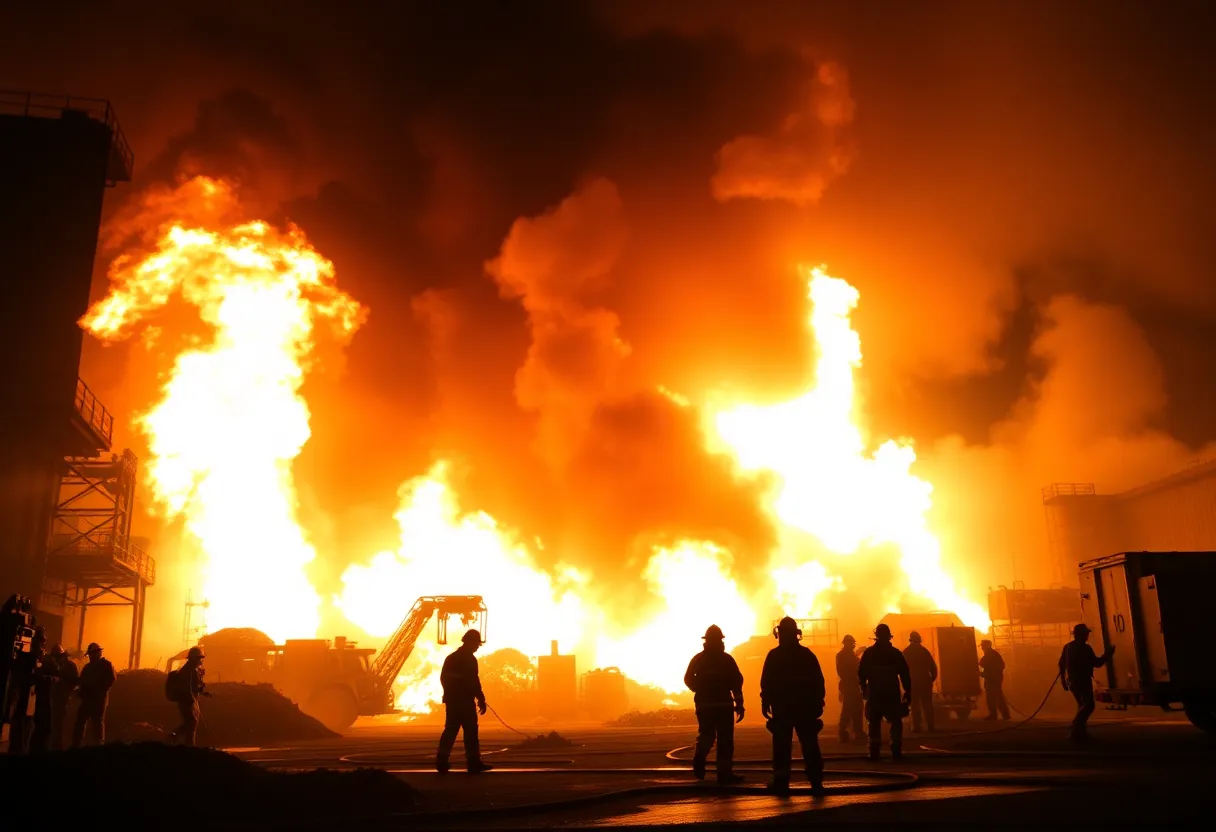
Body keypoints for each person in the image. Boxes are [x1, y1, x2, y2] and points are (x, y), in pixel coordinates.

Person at [761, 617, 826, 796]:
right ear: (797, 634)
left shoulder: (774, 656)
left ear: (779, 634)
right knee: (810, 745)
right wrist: (818, 702)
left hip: (783, 708)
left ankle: (781, 783)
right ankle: (816, 782)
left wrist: (765, 702)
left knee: (782, 746)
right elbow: (818, 681)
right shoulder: (806, 655)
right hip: (805, 708)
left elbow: (766, 682)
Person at [684, 624, 745, 785]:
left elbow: (687, 679)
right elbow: (737, 683)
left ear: (706, 641)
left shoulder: (698, 659)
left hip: (704, 705)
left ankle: (699, 758)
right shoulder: (727, 660)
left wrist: (698, 689)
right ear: (720, 641)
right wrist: (739, 704)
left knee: (706, 734)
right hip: (724, 705)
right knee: (725, 740)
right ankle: (724, 774)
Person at [436, 629, 492, 774]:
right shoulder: (469, 659)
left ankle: (441, 762)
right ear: (471, 642)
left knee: (450, 730)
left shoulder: (451, 658)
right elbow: (473, 681)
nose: (478, 647)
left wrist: (451, 694)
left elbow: (444, 679)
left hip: (453, 701)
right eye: (476, 644)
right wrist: (480, 698)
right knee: (471, 731)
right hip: (464, 701)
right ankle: (473, 763)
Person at [858, 623, 912, 761]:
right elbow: (904, 673)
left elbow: (861, 673)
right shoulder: (895, 654)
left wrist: (864, 688)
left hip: (875, 693)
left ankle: (874, 751)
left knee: (874, 722)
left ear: (876, 636)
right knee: (895, 721)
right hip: (891, 693)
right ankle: (895, 750)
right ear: (889, 637)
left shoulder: (869, 653)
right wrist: (907, 691)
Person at [1058, 623, 1114, 741]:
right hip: (1082, 679)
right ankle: (1075, 728)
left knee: (1082, 705)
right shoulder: (1084, 648)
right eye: (1086, 634)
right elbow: (1096, 663)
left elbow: (1061, 664)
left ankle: (1079, 733)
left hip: (1072, 680)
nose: (1087, 636)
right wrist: (1107, 655)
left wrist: (1063, 679)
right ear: (1081, 635)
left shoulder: (1068, 647)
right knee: (1088, 705)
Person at [71, 642, 115, 748]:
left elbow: (111, 680)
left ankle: (98, 746)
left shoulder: (106, 665)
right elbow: (82, 681)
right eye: (90, 654)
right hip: (87, 699)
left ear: (98, 653)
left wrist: (97, 689)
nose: (91, 656)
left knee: (97, 723)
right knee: (80, 721)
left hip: (99, 700)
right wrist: (80, 691)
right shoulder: (87, 667)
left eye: (93, 654)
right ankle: (76, 745)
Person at [171, 646, 209, 747]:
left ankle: (182, 740)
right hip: (188, 702)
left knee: (191, 724)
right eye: (199, 659)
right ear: (194, 659)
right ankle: (188, 746)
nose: (201, 661)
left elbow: (196, 686)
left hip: (191, 701)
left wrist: (203, 692)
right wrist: (192, 698)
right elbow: (188, 687)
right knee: (191, 725)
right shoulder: (188, 671)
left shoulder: (193, 670)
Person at [903, 631, 938, 733]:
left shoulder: (906, 652)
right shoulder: (924, 651)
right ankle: (931, 726)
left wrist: (905, 682)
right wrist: (931, 679)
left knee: (914, 705)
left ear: (910, 640)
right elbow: (933, 667)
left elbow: (902, 669)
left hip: (912, 681)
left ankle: (916, 726)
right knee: (927, 704)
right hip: (925, 681)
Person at [45, 644, 78, 750]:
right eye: (55, 657)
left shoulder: (70, 666)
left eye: (58, 656)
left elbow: (74, 682)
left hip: (65, 700)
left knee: (63, 727)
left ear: (63, 656)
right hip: (55, 700)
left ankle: (61, 750)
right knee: (55, 727)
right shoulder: (55, 666)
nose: (56, 659)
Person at [836, 635, 864, 743]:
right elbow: (854, 665)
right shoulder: (845, 656)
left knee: (850, 708)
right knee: (852, 709)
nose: (853, 645)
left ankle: (847, 731)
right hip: (850, 685)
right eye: (852, 643)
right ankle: (853, 731)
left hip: (849, 685)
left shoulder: (842, 655)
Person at [978, 640, 1011, 721]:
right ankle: (1005, 714)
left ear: (986, 646)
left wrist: (987, 673)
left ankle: (994, 715)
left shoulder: (990, 654)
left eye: (982, 646)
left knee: (991, 697)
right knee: (998, 696)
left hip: (992, 680)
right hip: (995, 679)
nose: (982, 648)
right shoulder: (992, 654)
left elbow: (983, 663)